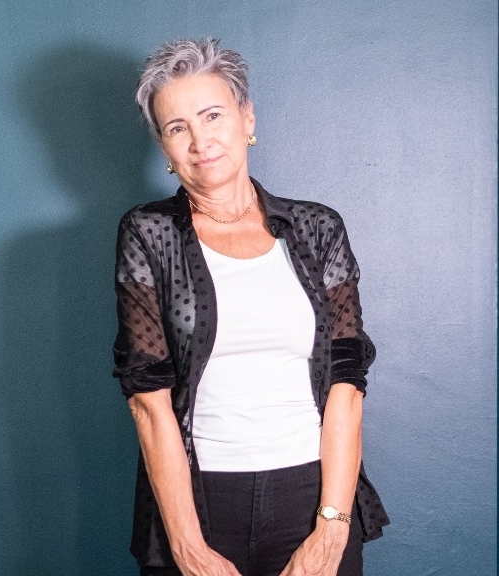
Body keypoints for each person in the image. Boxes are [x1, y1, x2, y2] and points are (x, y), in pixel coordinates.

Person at [113, 38, 388, 576]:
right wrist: (188, 547)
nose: (200, 141)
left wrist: (332, 527)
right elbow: (148, 400)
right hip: (199, 501)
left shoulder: (318, 228)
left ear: (247, 117)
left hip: (313, 492)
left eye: (212, 115)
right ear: (165, 147)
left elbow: (347, 384)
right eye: (177, 127)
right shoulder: (148, 233)